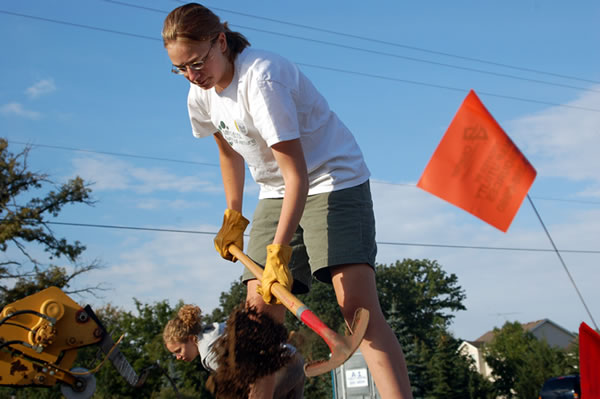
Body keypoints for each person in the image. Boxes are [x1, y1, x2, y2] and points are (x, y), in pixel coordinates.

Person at [162, 4, 413, 398]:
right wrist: (234, 214)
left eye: (197, 62)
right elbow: (228, 152)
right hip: (276, 190)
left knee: (356, 308)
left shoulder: (262, 79)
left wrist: (278, 250)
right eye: (182, 69)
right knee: (256, 321)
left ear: (221, 42)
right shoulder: (201, 93)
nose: (193, 76)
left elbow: (297, 174)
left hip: (332, 178)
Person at [163, 304, 305, 399]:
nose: (178, 357)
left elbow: (240, 382)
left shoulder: (208, 353)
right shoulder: (214, 330)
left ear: (191, 338)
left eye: (178, 350)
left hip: (279, 367)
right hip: (293, 358)